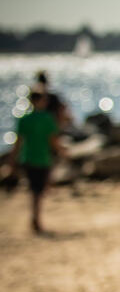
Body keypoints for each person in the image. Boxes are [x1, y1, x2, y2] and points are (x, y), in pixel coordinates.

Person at [8, 91, 65, 234]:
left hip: (27, 158)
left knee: (35, 189)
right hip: (42, 158)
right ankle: (36, 218)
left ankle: (35, 217)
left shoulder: (24, 119)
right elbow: (53, 139)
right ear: (41, 101)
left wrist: (12, 161)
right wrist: (61, 151)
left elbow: (18, 143)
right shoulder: (47, 118)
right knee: (38, 190)